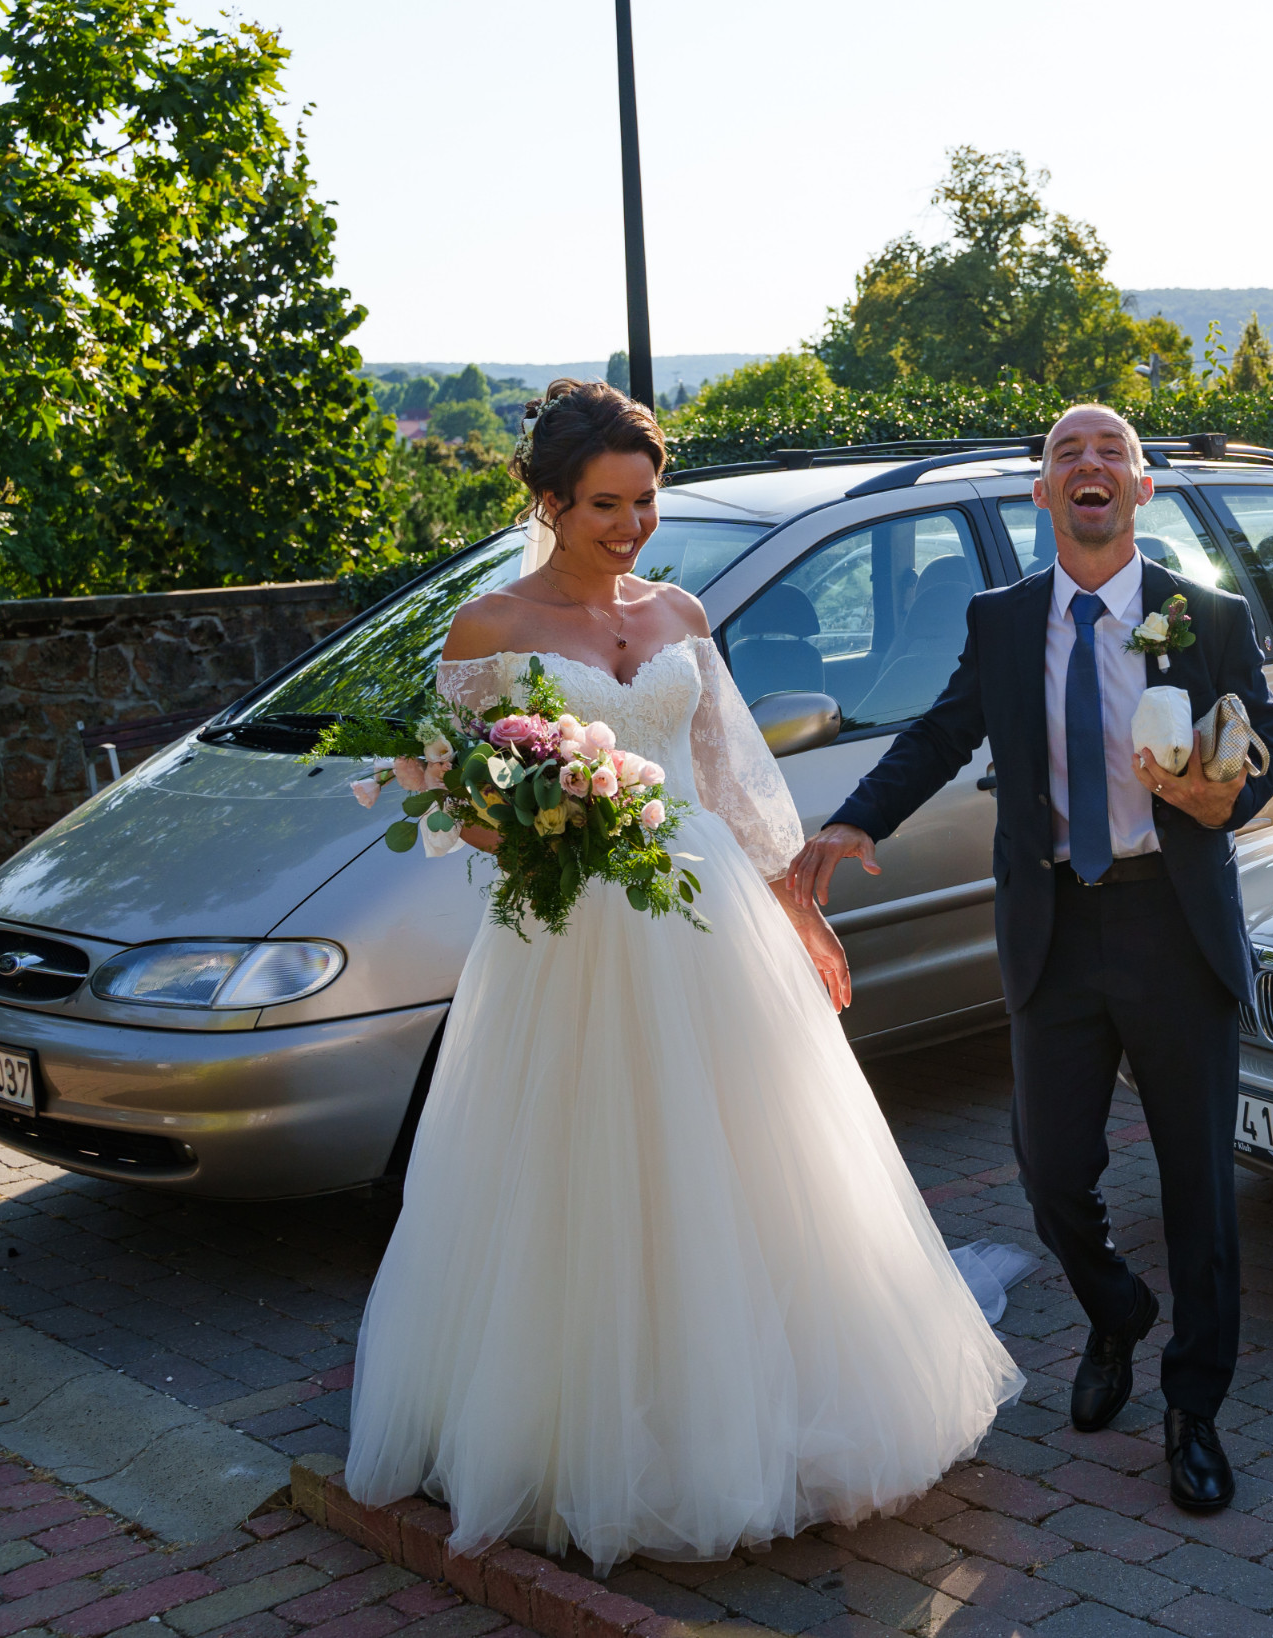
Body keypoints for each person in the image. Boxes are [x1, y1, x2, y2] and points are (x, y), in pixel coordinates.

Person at [345, 380, 1022, 1572]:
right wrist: (542, 821)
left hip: (705, 914)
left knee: (746, 1157)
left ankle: (763, 1406)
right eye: (604, 504)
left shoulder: (680, 611)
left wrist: (795, 915)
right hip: (570, 930)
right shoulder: (489, 629)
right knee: (584, 1164)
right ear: (550, 502)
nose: (630, 526)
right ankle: (583, 1428)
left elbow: (728, 780)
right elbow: (455, 804)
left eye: (644, 501)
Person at [792, 404, 1273, 1512]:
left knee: (1200, 1191)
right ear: (1043, 492)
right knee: (1051, 1172)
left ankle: (1194, 1409)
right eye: (1068, 452)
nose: (1089, 464)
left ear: (1141, 488)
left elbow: (1263, 743)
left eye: (1112, 451)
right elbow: (942, 731)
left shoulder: (1204, 615)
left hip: (1174, 924)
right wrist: (856, 819)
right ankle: (1116, 1310)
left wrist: (1231, 793)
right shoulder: (1005, 618)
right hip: (1052, 928)